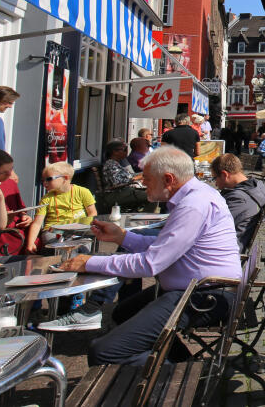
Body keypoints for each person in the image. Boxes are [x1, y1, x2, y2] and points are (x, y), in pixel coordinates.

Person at [58, 146, 242, 365]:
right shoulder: (195, 196)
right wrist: (122, 237)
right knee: (123, 312)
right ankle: (184, 365)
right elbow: (164, 246)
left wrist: (89, 262)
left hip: (203, 296)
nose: (141, 182)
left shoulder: (193, 205)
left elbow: (151, 263)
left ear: (168, 179)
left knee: (103, 351)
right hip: (197, 290)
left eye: (146, 178)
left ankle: (174, 382)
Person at [25, 162, 97, 252]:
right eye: (43, 180)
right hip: (54, 231)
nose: (44, 183)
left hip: (78, 229)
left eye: (49, 179)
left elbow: (92, 213)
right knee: (65, 248)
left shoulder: (83, 192)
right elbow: (37, 223)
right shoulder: (46, 199)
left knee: (84, 247)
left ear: (65, 178)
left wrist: (83, 228)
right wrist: (30, 243)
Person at [212, 153, 265, 250]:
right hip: (235, 241)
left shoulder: (238, 198)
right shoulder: (256, 186)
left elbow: (213, 226)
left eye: (214, 178)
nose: (215, 184)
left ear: (225, 175)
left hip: (225, 250)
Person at [102, 142, 149, 210]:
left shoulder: (116, 163)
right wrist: (136, 178)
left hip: (125, 191)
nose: (127, 152)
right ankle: (148, 216)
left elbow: (129, 176)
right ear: (115, 152)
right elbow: (117, 183)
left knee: (154, 192)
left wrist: (144, 173)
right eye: (125, 149)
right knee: (153, 196)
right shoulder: (110, 164)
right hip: (116, 194)